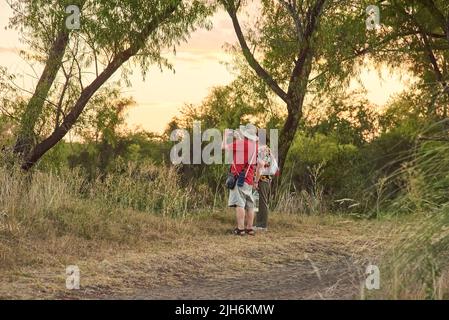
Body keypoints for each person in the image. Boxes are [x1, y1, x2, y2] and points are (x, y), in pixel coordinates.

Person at [223, 124, 259, 236]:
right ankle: (249, 228)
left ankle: (240, 229)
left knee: (240, 204)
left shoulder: (241, 144)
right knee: (250, 205)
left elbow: (223, 147)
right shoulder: (256, 146)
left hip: (239, 179)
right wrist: (239, 138)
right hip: (249, 179)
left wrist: (225, 135)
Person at [254, 144, 278, 231]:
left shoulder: (262, 149)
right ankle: (259, 224)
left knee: (262, 202)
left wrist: (256, 181)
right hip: (266, 178)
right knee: (260, 201)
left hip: (262, 178)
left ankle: (262, 225)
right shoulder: (265, 149)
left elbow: (261, 166)